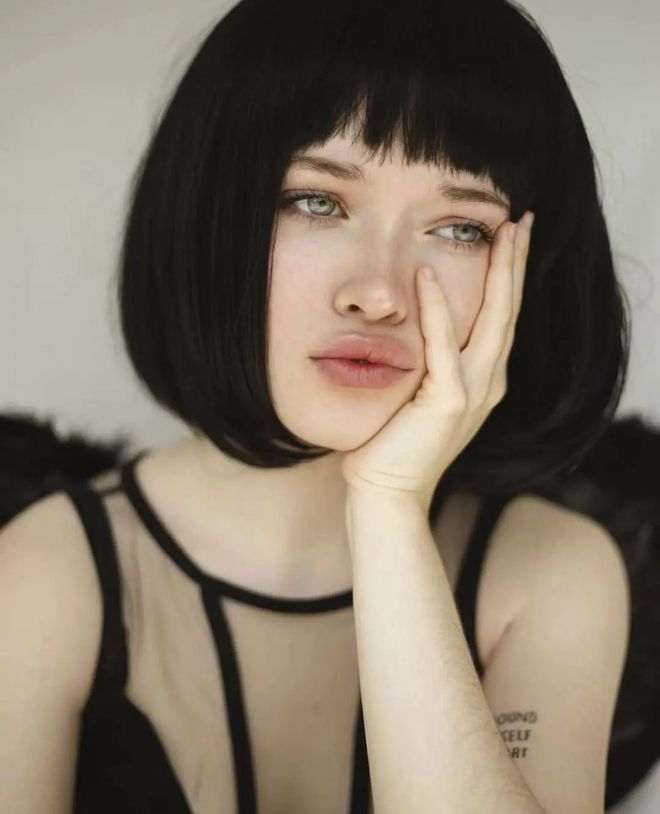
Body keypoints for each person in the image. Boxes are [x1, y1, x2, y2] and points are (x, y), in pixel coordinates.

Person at [0, 0, 632, 812]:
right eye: (319, 203)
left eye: (461, 229)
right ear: (207, 215)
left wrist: (389, 505)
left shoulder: (549, 573)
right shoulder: (45, 572)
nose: (377, 294)